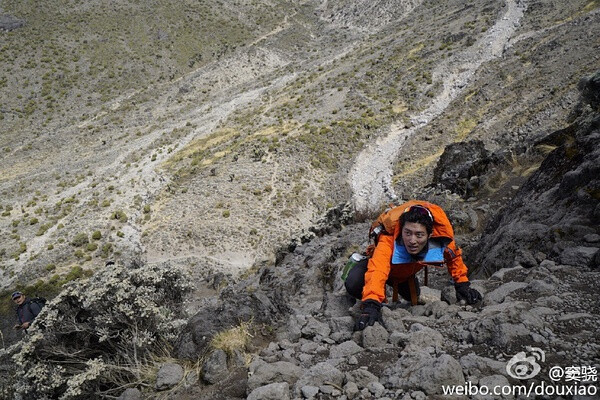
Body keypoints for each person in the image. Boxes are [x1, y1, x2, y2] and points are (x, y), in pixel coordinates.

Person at [345, 200, 482, 331]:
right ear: (401, 230)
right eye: (408, 233)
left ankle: (402, 284)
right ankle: (368, 296)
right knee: (354, 283)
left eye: (419, 235)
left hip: (403, 274)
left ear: (430, 235)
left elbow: (454, 259)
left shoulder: (441, 241)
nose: (412, 241)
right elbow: (378, 269)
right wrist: (371, 304)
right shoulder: (388, 240)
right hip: (381, 266)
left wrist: (462, 284)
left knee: (413, 297)